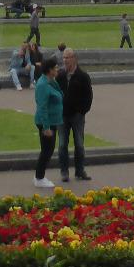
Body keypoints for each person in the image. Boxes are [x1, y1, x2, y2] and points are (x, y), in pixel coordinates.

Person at [57, 47, 93, 182]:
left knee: (79, 144)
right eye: (64, 57)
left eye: (67, 57)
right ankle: (64, 172)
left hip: (77, 116)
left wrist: (82, 111)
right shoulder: (60, 75)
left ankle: (80, 170)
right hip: (62, 116)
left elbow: (88, 96)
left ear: (74, 58)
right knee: (62, 145)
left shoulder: (83, 76)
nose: (65, 60)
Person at [32, 56, 63, 188]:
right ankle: (39, 177)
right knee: (47, 150)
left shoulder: (49, 81)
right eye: (55, 67)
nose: (58, 69)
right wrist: (46, 127)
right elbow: (42, 106)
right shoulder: (43, 84)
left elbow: (59, 93)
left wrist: (54, 81)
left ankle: (39, 176)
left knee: (48, 150)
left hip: (52, 121)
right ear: (49, 70)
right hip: (47, 122)